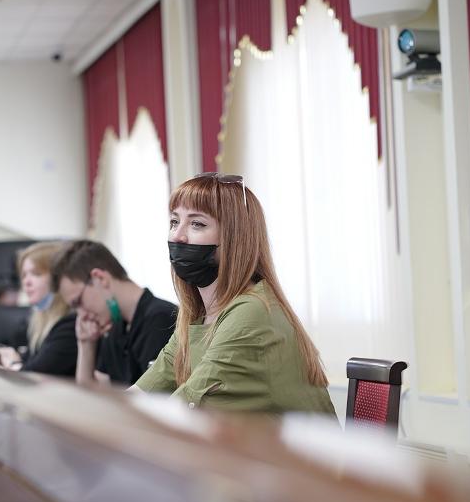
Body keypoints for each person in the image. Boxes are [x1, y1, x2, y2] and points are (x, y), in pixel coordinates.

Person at [133, 173, 337, 415]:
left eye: (197, 224)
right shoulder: (198, 315)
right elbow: (144, 392)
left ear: (234, 238)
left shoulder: (252, 312)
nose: (178, 236)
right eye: (174, 222)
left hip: (295, 442)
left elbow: (182, 412)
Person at [53, 240, 178, 386]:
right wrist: (86, 343)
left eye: (78, 302)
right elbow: (92, 391)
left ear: (100, 278)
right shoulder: (116, 327)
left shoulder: (161, 320)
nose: (82, 315)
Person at [0, 242, 78, 377]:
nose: (26, 282)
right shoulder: (39, 325)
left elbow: (32, 375)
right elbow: (28, 363)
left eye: (36, 274)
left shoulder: (71, 325)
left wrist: (13, 363)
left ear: (58, 278)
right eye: (24, 275)